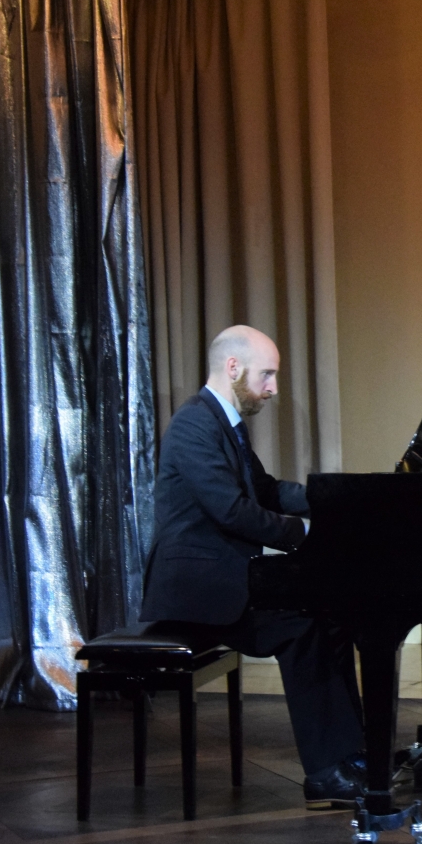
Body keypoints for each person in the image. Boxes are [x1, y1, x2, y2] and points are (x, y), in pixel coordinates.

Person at [140, 325, 366, 808]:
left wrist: (338, 501)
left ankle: (351, 756)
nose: (273, 387)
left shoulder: (224, 423)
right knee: (302, 627)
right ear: (233, 367)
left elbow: (264, 489)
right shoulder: (194, 424)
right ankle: (325, 773)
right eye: (268, 374)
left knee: (331, 616)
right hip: (196, 588)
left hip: (223, 576)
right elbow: (232, 511)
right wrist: (305, 533)